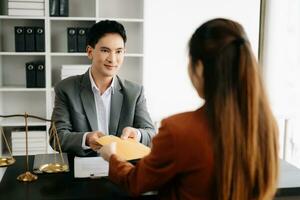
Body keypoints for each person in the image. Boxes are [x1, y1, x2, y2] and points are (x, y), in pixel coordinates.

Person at [100, 18, 279, 200]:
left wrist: (112, 158)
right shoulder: (267, 126)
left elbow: (135, 182)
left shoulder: (178, 130)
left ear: (199, 68)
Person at [50, 20, 155, 157]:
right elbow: (57, 137)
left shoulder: (135, 92)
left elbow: (151, 134)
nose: (113, 59)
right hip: (82, 171)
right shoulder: (66, 89)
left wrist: (138, 134)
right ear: (90, 52)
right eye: (105, 50)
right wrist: (86, 138)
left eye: (118, 51)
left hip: (123, 171)